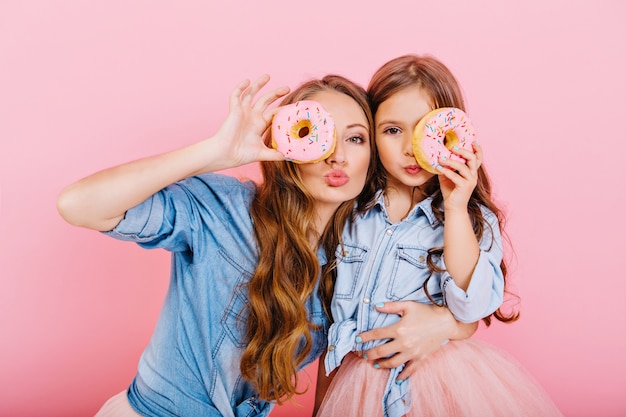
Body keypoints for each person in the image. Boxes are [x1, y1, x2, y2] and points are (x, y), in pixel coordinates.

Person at [57, 72, 476, 417]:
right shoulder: (226, 211)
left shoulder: (351, 256)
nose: (337, 158)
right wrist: (213, 153)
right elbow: (79, 205)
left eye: (355, 138)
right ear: (288, 145)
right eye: (318, 135)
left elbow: (377, 334)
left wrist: (451, 323)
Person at [314, 55, 563, 417]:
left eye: (424, 131)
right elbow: (331, 329)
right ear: (370, 134)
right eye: (392, 130)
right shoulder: (350, 211)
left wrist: (457, 206)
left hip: (435, 380)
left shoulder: (467, 217)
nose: (411, 148)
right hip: (356, 384)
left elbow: (472, 306)